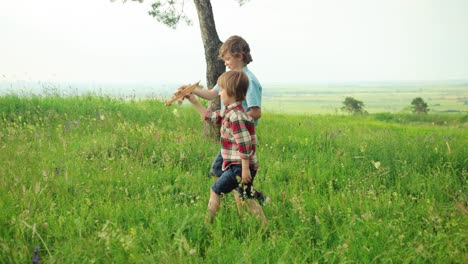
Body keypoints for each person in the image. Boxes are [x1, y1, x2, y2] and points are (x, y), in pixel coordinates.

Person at [184, 35, 267, 205]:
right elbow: (212, 93)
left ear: (240, 55)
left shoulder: (247, 81)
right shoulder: (229, 77)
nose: (226, 62)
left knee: (223, 171)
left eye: (228, 58)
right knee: (218, 169)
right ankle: (245, 195)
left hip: (238, 137)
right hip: (229, 136)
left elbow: (256, 112)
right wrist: (191, 91)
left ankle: (248, 197)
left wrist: (235, 120)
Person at [186, 70, 267, 226]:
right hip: (238, 166)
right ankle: (266, 227)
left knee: (215, 190)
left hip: (239, 167)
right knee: (246, 199)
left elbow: (244, 145)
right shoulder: (229, 111)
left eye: (221, 90)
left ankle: (207, 225)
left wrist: (244, 170)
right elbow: (209, 117)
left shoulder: (236, 116)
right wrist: (194, 101)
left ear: (230, 92)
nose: (219, 93)